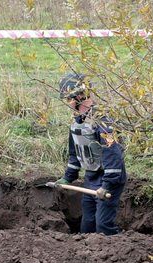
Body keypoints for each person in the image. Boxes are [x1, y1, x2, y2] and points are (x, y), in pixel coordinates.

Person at [56, 73, 126, 235]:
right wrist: (68, 177)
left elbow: (113, 156)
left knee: (103, 226)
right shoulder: (77, 123)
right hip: (91, 178)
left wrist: (107, 185)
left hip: (109, 180)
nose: (68, 104)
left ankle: (119, 251)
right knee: (87, 226)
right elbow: (75, 154)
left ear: (80, 96)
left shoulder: (103, 121)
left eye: (69, 99)